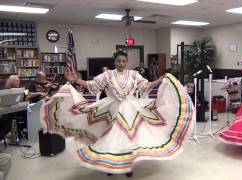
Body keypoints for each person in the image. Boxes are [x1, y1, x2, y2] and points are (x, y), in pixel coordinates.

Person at [41, 49, 194, 177]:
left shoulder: (134, 74)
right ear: (114, 62)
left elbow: (145, 85)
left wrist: (159, 80)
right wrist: (76, 80)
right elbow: (92, 85)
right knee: (111, 137)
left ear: (126, 62)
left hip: (131, 107)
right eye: (119, 61)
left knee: (128, 138)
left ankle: (127, 165)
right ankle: (112, 165)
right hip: (112, 107)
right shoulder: (107, 75)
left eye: (124, 61)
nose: (121, 63)